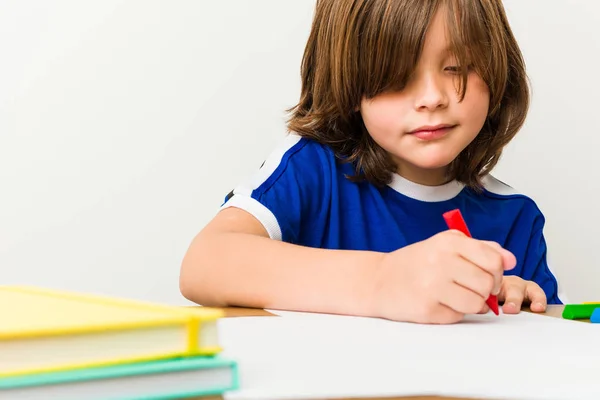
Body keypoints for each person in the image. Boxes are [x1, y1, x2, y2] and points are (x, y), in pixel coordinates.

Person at [179, 0, 564, 324]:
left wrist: (522, 304)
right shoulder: (313, 169)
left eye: (457, 67)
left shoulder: (515, 218)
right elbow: (204, 263)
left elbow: (549, 340)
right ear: (347, 82)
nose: (432, 97)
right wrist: (383, 281)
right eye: (397, 75)